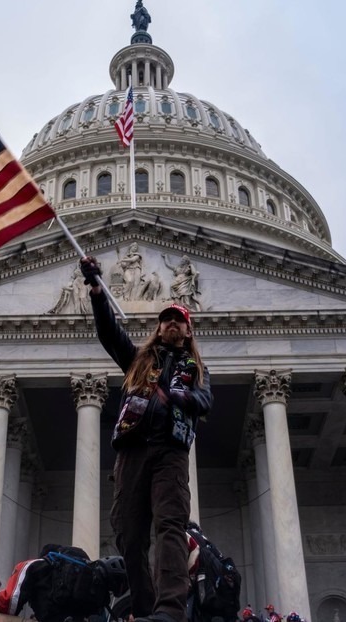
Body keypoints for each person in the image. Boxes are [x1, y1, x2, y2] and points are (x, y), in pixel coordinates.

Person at [80, 255, 213, 622]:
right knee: (128, 534)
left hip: (170, 453)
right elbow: (109, 333)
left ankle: (169, 610)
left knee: (170, 526)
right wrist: (95, 290)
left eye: (179, 321)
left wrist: (178, 396)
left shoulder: (195, 369)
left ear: (187, 331)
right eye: (167, 319)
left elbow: (205, 400)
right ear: (159, 326)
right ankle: (143, 606)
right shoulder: (139, 359)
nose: (172, 324)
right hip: (133, 451)